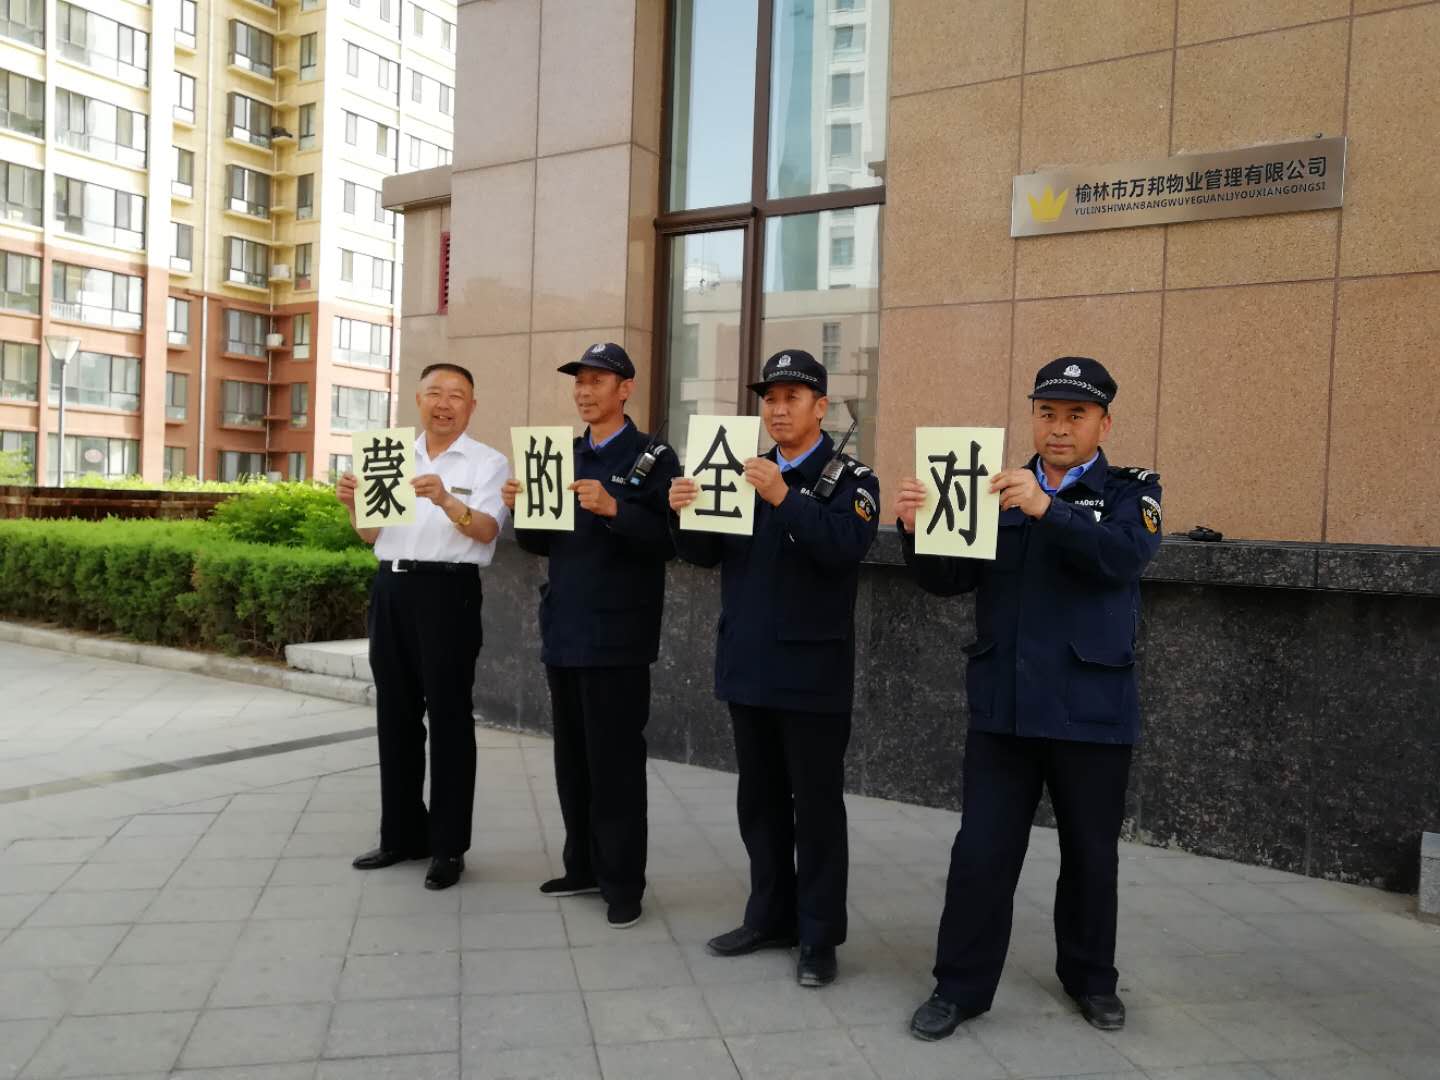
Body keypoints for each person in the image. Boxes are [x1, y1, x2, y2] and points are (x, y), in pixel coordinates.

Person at [894, 356, 1163, 1039]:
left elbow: (1122, 558)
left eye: (1076, 414)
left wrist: (1048, 510)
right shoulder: (991, 486)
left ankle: (1090, 979)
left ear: (1104, 424)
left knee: (1090, 855)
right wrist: (915, 530)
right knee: (980, 854)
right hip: (1005, 707)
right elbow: (947, 578)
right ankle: (959, 987)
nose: (1059, 428)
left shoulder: (1131, 492)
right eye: (1047, 413)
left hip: (1090, 706)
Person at [668, 349, 879, 988]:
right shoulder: (738, 469)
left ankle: (818, 935)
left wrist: (784, 496)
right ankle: (768, 916)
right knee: (759, 803)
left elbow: (844, 547)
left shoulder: (851, 478)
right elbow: (702, 553)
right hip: (749, 661)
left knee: (816, 809)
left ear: (821, 406)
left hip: (813, 673)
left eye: (793, 397)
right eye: (770, 399)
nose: (778, 409)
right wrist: (682, 509)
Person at [500, 342, 680, 929]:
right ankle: (581, 865)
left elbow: (669, 540)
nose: (584, 391)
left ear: (625, 389)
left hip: (619, 635)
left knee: (616, 765)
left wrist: (613, 509)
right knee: (572, 761)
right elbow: (539, 542)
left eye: (597, 381)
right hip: (565, 628)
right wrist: (520, 508)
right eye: (579, 381)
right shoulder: (561, 454)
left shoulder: (654, 456)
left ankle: (623, 883)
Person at [338, 362, 510, 891]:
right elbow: (372, 534)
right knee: (395, 714)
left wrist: (446, 499)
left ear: (472, 406)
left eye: (456, 395)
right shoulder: (389, 455)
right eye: (435, 392)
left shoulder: (488, 462)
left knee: (450, 718)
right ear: (418, 399)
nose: (444, 403)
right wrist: (352, 506)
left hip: (448, 593)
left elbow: (486, 531)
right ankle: (401, 835)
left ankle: (448, 846)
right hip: (391, 589)